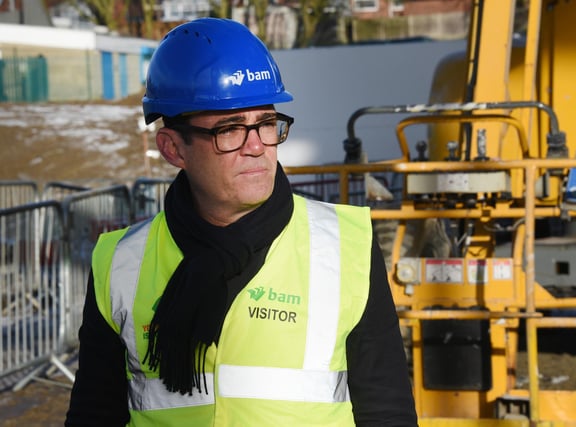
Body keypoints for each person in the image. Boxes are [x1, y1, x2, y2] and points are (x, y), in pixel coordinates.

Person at [65, 17, 417, 427]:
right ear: (173, 148)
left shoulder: (344, 246)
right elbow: (94, 413)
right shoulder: (120, 263)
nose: (256, 147)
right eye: (230, 130)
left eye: (266, 124)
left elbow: (387, 411)